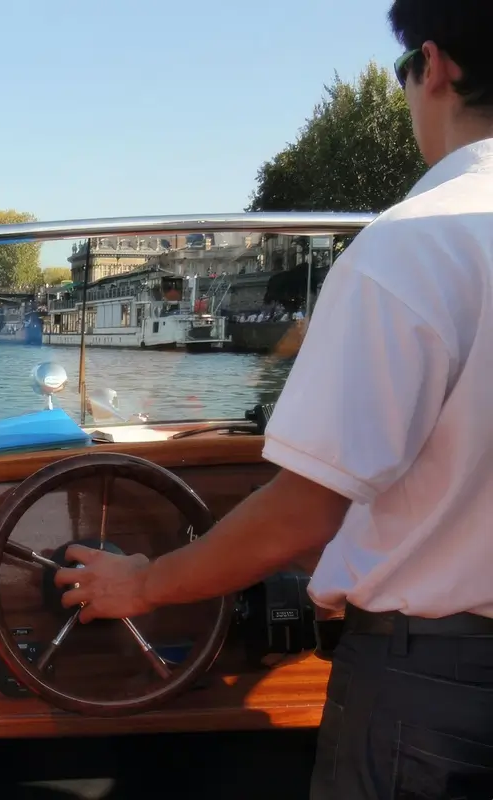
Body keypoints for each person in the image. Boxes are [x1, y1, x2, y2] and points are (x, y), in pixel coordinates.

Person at [54, 2, 493, 797]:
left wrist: (143, 583)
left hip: (436, 693)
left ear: (436, 66)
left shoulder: (413, 246)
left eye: (403, 72)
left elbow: (303, 514)